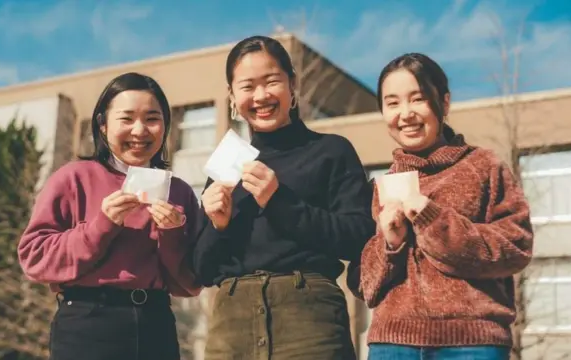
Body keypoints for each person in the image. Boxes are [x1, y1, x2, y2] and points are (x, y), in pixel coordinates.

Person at [193, 35, 377, 360]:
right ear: (232, 97)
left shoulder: (331, 150)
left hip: (310, 325)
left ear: (292, 84)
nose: (261, 95)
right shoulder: (226, 162)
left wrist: (279, 202)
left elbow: (359, 237)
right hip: (231, 329)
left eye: (272, 81)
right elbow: (202, 270)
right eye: (248, 86)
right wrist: (217, 225)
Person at [347, 53, 534, 360]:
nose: (405, 113)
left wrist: (431, 219)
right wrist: (390, 244)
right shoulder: (381, 186)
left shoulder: (484, 166)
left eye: (417, 99)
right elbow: (363, 285)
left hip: (472, 344)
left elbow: (516, 248)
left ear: (444, 103)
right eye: (392, 103)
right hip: (392, 346)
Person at [17, 72, 201, 360]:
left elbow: (191, 283)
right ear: (103, 126)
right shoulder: (73, 178)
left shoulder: (178, 191)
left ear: (166, 126)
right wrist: (100, 227)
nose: (140, 130)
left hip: (156, 324)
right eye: (126, 119)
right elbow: (34, 258)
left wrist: (172, 234)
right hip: (87, 323)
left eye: (152, 118)